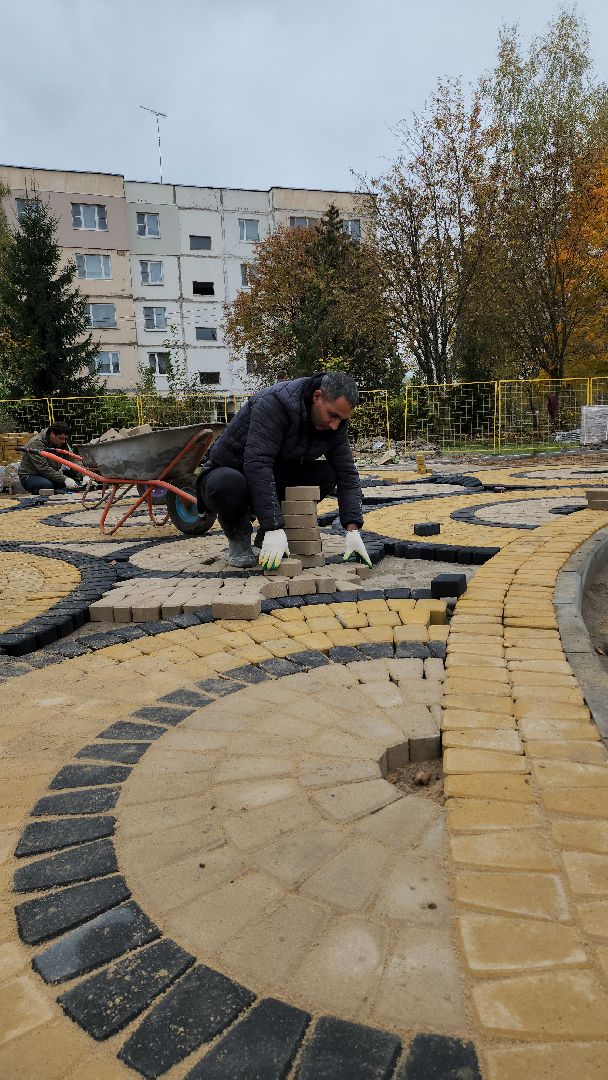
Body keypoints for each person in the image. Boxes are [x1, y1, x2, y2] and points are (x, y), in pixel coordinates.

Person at [196, 371, 372, 569]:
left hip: (271, 474)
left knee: (325, 475)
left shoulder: (334, 425)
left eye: (341, 419)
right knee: (228, 483)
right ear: (317, 396)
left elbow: (346, 472)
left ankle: (266, 539)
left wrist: (353, 528)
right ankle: (239, 539)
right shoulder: (275, 403)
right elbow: (258, 463)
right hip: (227, 476)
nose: (335, 425)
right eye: (333, 415)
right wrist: (273, 526)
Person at [18, 422, 81, 495]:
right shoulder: (36, 444)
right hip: (31, 475)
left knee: (76, 486)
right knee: (46, 486)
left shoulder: (61, 443)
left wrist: (84, 475)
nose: (63, 441)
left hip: (50, 475)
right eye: (61, 438)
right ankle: (40, 500)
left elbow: (73, 460)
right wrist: (65, 479)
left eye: (65, 439)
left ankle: (57, 491)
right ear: (52, 434)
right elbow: (43, 468)